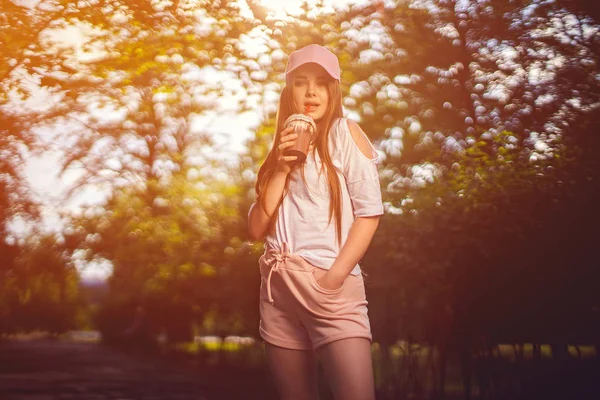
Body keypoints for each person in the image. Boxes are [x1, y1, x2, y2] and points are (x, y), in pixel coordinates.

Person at [247, 44, 384, 400]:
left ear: (333, 91)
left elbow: (369, 214)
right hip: (278, 289)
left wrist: (334, 277)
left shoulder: (345, 133)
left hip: (329, 287)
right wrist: (281, 167)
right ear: (288, 91)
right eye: (301, 82)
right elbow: (255, 228)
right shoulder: (279, 148)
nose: (311, 92)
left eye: (321, 83)